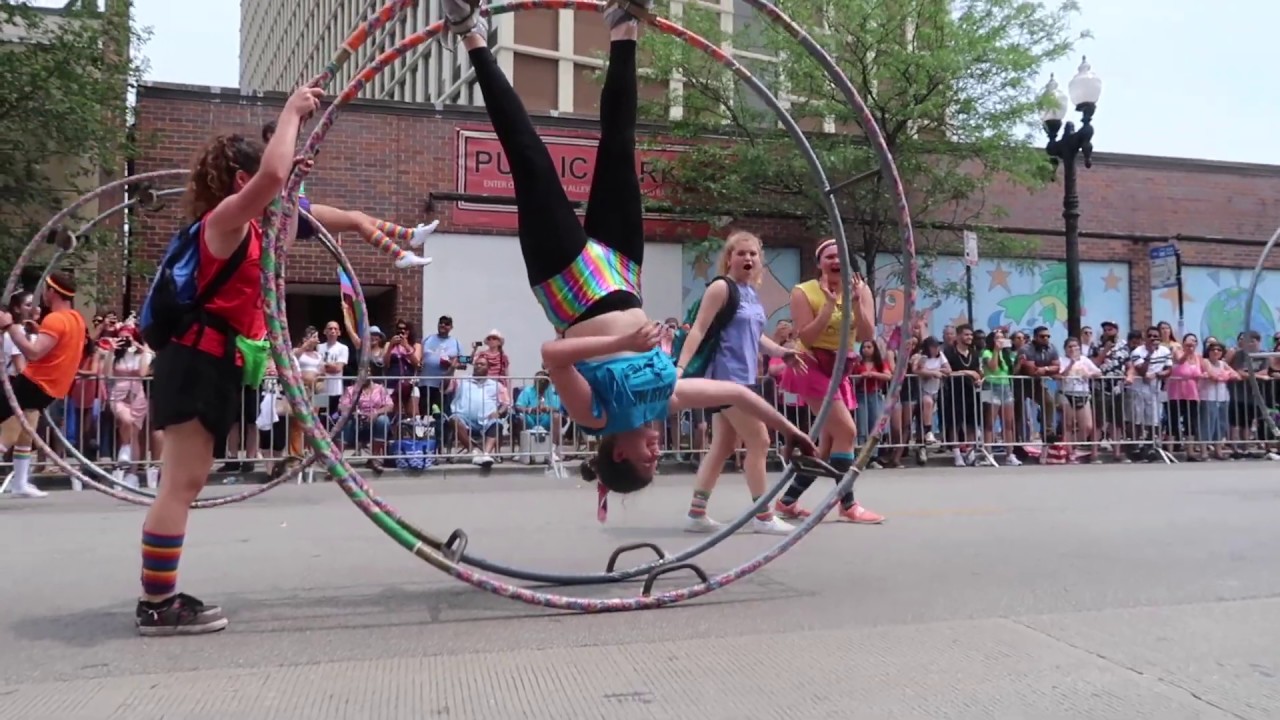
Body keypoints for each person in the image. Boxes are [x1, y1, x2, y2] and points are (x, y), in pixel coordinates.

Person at [439, 0, 816, 495]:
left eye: (646, 462)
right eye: (657, 463)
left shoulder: (594, 415)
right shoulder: (665, 399)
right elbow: (733, 393)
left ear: (619, 453)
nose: (656, 454)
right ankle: (623, 26)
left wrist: (623, 344)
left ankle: (470, 34)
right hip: (621, 272)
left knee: (528, 155)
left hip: (568, 283)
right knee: (620, 145)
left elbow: (553, 355)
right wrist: (792, 433)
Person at [136, 85, 323, 636]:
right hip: (194, 363)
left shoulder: (253, 232)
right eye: (264, 176)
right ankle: (156, 603)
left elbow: (286, 208)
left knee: (184, 483)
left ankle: (159, 595)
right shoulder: (225, 221)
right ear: (243, 181)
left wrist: (296, 174)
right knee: (181, 485)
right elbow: (271, 181)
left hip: (209, 367)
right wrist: (290, 112)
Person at [675, 230, 798, 535]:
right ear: (729, 258)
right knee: (760, 440)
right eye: (741, 253)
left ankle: (696, 512)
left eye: (753, 254)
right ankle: (763, 516)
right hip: (725, 379)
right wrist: (680, 368)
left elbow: (757, 338)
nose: (748, 258)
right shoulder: (721, 288)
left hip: (744, 380)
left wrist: (782, 352)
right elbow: (699, 329)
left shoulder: (751, 294)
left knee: (724, 444)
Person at [773, 239, 884, 523]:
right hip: (809, 364)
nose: (837, 262)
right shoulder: (803, 292)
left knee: (827, 446)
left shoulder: (861, 288)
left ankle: (787, 501)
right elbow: (806, 337)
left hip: (839, 368)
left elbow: (866, 334)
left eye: (842, 257)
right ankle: (847, 504)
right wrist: (830, 304)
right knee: (846, 431)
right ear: (820, 263)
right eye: (830, 257)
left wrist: (857, 301)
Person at [261, 121, 436, 268]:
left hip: (300, 208)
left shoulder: (285, 157)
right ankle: (400, 255)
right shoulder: (274, 160)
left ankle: (410, 235)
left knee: (359, 217)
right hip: (294, 213)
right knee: (358, 222)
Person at [0, 273, 87, 498]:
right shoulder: (76, 319)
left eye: (46, 289)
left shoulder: (55, 319)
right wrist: (40, 332)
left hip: (35, 382)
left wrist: (10, 326)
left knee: (8, 430)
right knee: (23, 431)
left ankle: (19, 482)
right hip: (51, 387)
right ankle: (20, 483)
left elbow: (34, 352)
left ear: (53, 292)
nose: (43, 295)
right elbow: (60, 347)